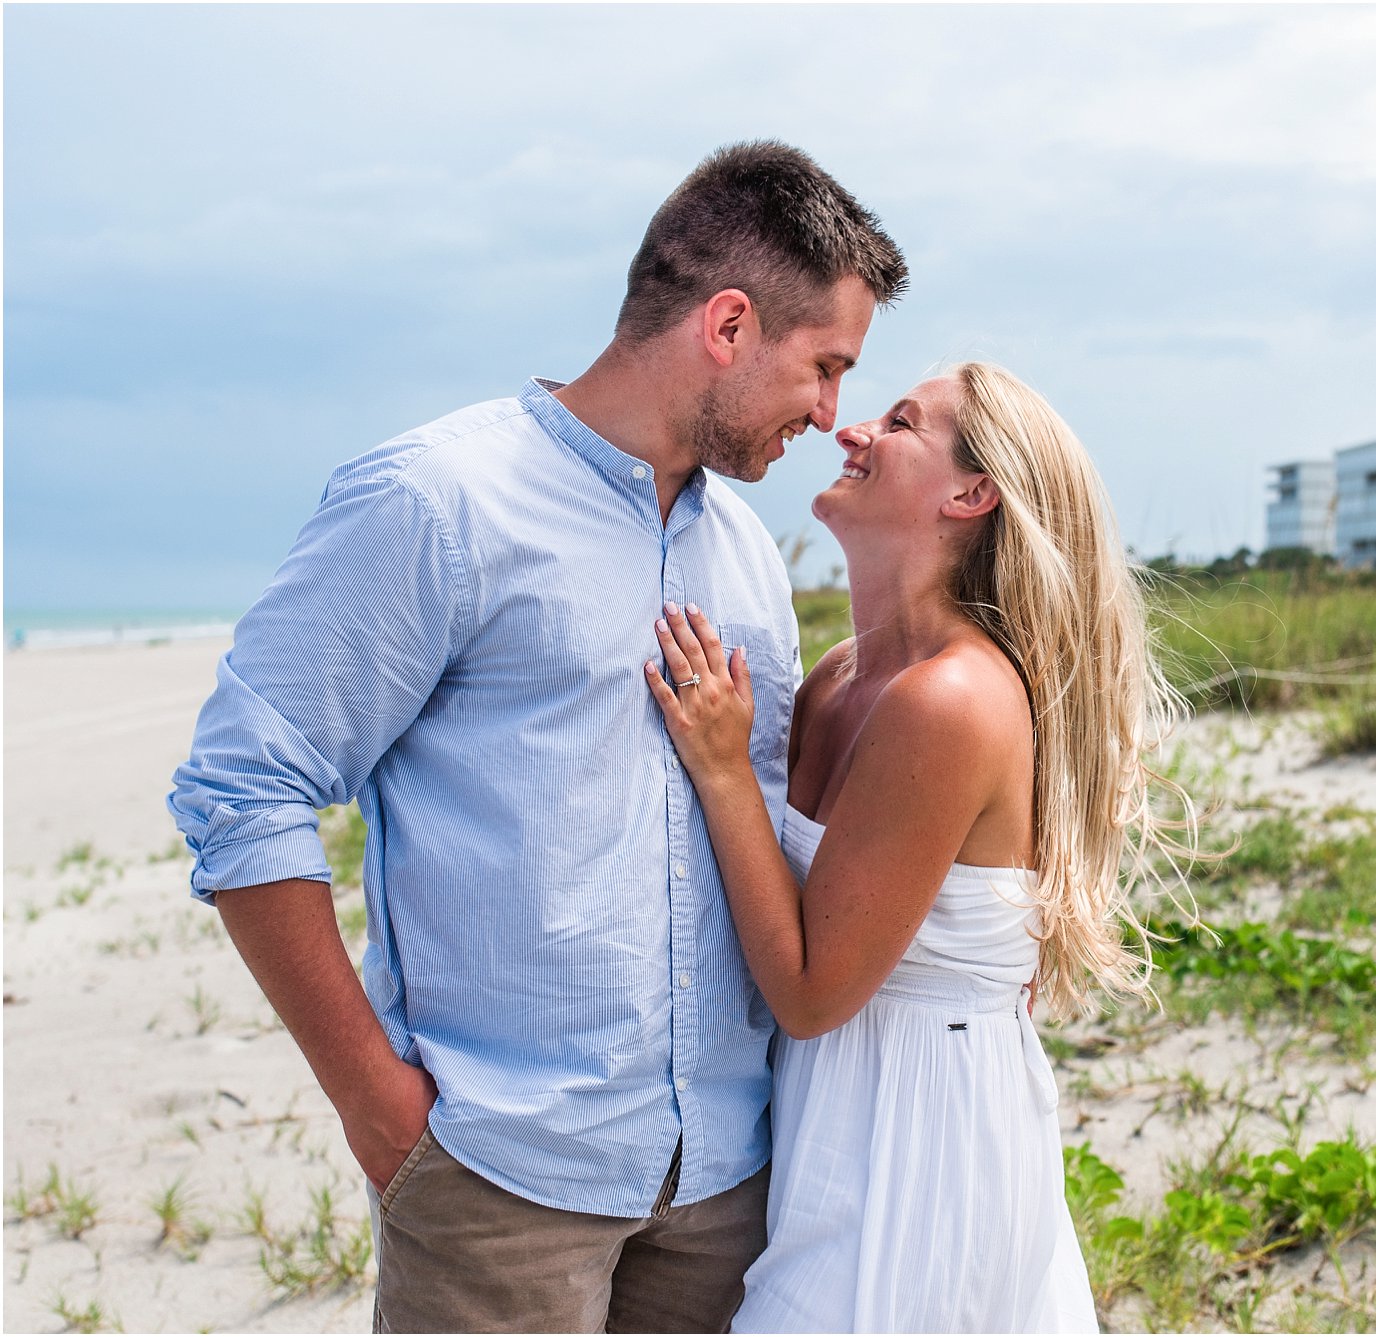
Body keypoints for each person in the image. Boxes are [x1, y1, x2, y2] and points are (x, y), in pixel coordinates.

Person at [167, 141, 907, 1333]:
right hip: (495, 1182)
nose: (830, 415)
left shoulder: (750, 558)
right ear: (727, 326)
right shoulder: (435, 501)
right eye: (822, 367)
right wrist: (378, 1108)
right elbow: (241, 789)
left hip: (723, 1178)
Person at [645, 361, 1194, 1332]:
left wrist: (726, 771)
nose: (850, 429)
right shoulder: (836, 679)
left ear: (968, 494)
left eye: (897, 420)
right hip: (831, 1110)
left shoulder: (949, 701)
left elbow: (813, 990)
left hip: (920, 1129)